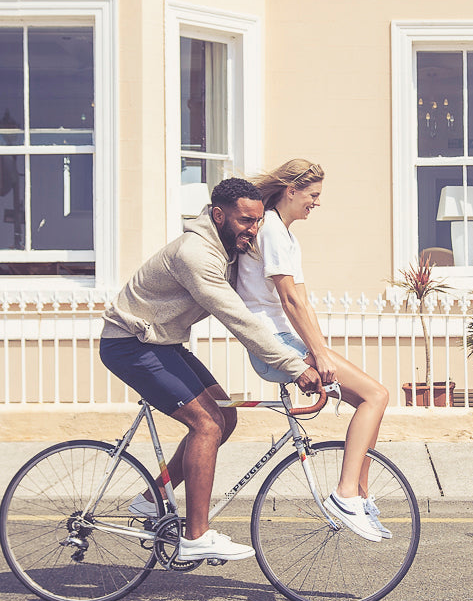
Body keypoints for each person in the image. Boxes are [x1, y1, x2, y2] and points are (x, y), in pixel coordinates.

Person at [99, 178, 321, 562]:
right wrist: (291, 363)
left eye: (256, 222)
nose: (252, 230)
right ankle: (195, 536)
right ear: (218, 215)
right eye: (244, 221)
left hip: (162, 343)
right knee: (207, 424)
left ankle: (152, 499)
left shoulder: (227, 247)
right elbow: (235, 316)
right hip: (131, 344)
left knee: (226, 415)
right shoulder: (195, 254)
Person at [236, 158, 392, 542]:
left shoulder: (286, 235)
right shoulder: (271, 229)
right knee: (376, 395)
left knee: (370, 402)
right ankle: (345, 495)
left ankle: (359, 493)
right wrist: (318, 354)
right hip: (274, 343)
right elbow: (289, 300)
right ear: (291, 191)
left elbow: (302, 301)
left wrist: (320, 347)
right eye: (313, 195)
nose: (317, 203)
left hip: (287, 338)